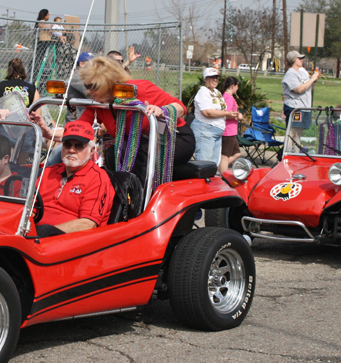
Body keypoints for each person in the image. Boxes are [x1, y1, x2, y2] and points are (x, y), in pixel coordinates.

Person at [31, 56, 195, 185]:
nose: (89, 93)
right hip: (134, 145)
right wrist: (49, 132)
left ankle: (137, 203)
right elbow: (78, 129)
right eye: (87, 86)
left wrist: (162, 110)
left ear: (107, 83)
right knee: (111, 154)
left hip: (173, 138)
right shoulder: (98, 104)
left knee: (136, 152)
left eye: (93, 87)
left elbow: (181, 107)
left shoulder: (136, 89)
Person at [35, 121, 115, 238]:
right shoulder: (48, 172)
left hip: (71, 243)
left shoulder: (98, 179)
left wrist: (49, 231)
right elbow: (30, 208)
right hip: (33, 238)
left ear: (91, 151)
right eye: (67, 144)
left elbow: (88, 223)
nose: (71, 150)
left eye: (79, 146)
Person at [191, 68, 241, 165]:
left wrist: (232, 113)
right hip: (205, 130)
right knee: (204, 163)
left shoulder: (216, 92)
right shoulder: (203, 91)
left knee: (213, 164)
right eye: (211, 77)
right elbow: (207, 113)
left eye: (217, 77)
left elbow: (221, 109)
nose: (215, 80)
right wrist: (227, 113)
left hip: (217, 131)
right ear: (205, 79)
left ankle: (211, 179)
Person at [282, 50, 321, 151]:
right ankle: (285, 155)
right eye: (299, 58)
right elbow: (299, 89)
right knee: (292, 132)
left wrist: (314, 81)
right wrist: (312, 79)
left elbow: (308, 89)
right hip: (294, 107)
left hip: (304, 107)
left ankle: (296, 155)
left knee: (298, 134)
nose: (301, 60)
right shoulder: (290, 74)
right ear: (293, 60)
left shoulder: (303, 72)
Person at [220, 76, 243, 172]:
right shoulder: (228, 98)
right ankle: (221, 173)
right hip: (228, 131)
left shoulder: (226, 97)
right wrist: (238, 116)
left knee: (237, 153)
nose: (238, 88)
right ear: (233, 86)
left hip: (231, 131)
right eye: (237, 86)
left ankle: (220, 167)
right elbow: (227, 113)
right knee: (225, 156)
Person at [31, 9, 51, 84]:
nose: (49, 16)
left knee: (43, 60)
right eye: (48, 15)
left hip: (44, 43)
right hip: (40, 43)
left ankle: (41, 77)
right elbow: (42, 26)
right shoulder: (40, 22)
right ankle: (35, 78)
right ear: (44, 15)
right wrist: (50, 27)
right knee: (38, 60)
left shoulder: (45, 23)